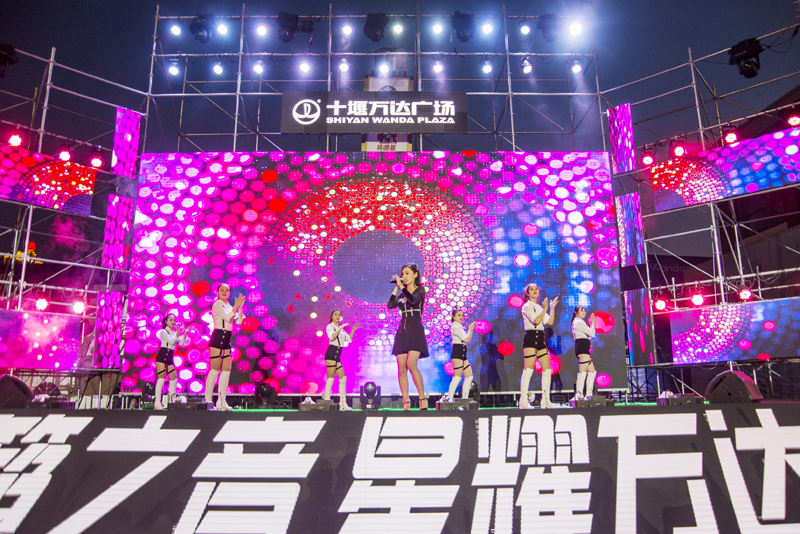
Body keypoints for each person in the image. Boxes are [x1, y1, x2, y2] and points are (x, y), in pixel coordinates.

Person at [388, 263, 429, 410]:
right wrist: (397, 288)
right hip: (402, 332)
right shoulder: (402, 294)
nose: (404, 276)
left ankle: (422, 398)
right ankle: (406, 401)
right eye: (402, 274)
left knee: (411, 364)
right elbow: (390, 305)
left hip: (415, 331)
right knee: (401, 368)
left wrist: (403, 288)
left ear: (415, 274)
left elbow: (413, 300)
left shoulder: (420, 290)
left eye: (407, 273)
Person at [204, 283, 245, 411]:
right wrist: (236, 306)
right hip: (218, 337)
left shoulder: (228, 306)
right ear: (217, 292)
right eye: (221, 290)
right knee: (214, 370)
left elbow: (239, 321)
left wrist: (240, 307)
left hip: (227, 339)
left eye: (227, 290)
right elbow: (228, 318)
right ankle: (208, 400)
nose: (224, 292)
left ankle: (222, 401)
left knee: (226, 371)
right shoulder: (217, 304)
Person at [520, 283, 559, 409]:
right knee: (528, 370)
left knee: (547, 369)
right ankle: (523, 401)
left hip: (540, 338)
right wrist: (545, 309)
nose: (534, 290)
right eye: (531, 289)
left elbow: (550, 321)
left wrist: (551, 308)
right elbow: (536, 321)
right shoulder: (526, 306)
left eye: (536, 288)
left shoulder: (539, 307)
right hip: (530, 338)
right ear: (527, 293)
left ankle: (545, 400)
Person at [324, 309, 358, 411]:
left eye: (339, 315)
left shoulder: (342, 329)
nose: (338, 316)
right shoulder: (330, 327)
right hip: (331, 354)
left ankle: (343, 403)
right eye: (335, 314)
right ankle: (326, 401)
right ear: (331, 316)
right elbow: (332, 337)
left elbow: (349, 340)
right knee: (331, 378)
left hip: (337, 355)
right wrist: (340, 328)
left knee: (343, 378)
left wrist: (353, 330)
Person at [154, 313, 186, 410]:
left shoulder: (173, 333)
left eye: (174, 320)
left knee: (174, 378)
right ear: (166, 321)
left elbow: (181, 343)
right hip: (162, 355)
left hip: (170, 356)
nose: (173, 322)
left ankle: (172, 398)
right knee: (162, 378)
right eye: (170, 320)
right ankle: (157, 402)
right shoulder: (164, 331)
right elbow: (171, 341)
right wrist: (177, 334)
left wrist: (184, 333)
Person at [446, 310, 475, 401]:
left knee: (469, 376)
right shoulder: (455, 327)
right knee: (457, 377)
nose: (461, 317)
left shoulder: (459, 327)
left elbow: (468, 340)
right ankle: (450, 398)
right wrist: (470, 330)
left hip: (463, 352)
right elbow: (465, 339)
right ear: (453, 317)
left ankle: (465, 398)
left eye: (462, 315)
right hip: (457, 352)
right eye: (459, 315)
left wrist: (471, 330)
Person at [571, 306, 597, 399]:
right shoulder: (579, 322)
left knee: (592, 372)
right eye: (581, 310)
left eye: (584, 310)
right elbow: (591, 333)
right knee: (582, 372)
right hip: (582, 347)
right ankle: (579, 394)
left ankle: (589, 394)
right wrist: (593, 323)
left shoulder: (578, 322)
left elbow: (588, 336)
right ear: (576, 313)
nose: (584, 312)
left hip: (584, 346)